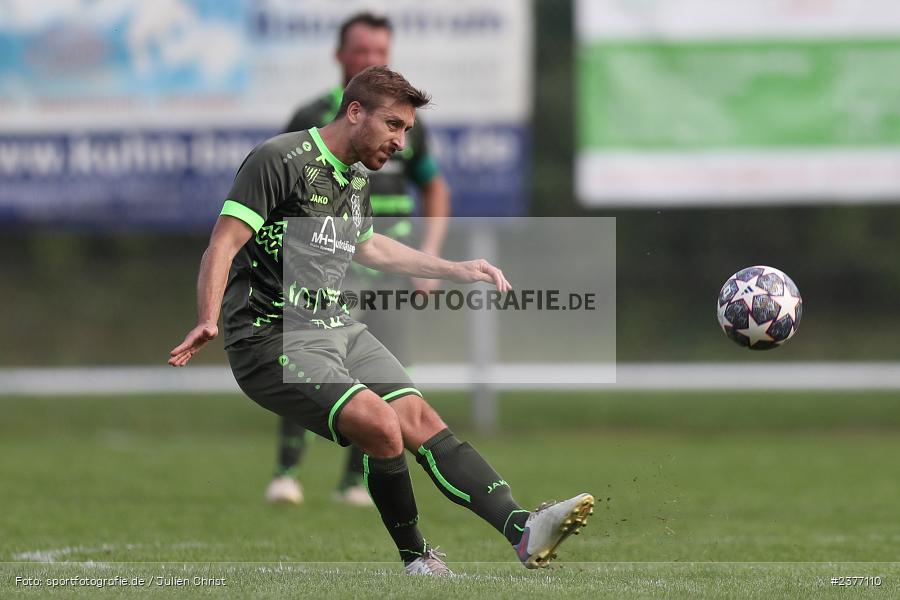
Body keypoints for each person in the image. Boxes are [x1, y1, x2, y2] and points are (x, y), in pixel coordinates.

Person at [169, 66, 592, 574]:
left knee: (420, 419)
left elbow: (368, 246)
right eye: (393, 125)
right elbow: (225, 241)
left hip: (337, 328)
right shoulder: (279, 159)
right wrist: (207, 317)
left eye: (407, 130)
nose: (401, 141)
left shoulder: (353, 178)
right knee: (380, 424)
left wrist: (454, 268)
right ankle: (418, 560)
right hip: (270, 338)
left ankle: (522, 530)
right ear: (354, 113)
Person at [268, 12, 451, 507]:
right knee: (309, 359)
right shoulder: (312, 115)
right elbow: (280, 188)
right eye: (362, 51)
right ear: (341, 56)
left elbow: (434, 188)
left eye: (379, 52)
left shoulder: (407, 127)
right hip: (329, 262)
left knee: (386, 372)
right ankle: (287, 473)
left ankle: (354, 482)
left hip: (386, 265)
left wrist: (426, 257)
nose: (371, 59)